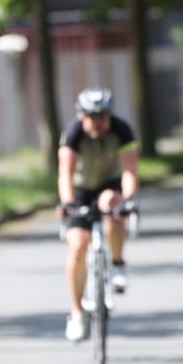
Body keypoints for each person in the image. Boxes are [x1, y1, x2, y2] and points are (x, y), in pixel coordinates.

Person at [57, 88, 139, 342]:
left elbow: (129, 171)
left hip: (109, 184)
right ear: (81, 116)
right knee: (78, 246)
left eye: (103, 116)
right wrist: (68, 202)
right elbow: (65, 175)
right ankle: (77, 312)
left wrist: (128, 199)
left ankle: (117, 262)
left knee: (111, 205)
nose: (98, 122)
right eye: (92, 116)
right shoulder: (73, 134)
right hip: (81, 190)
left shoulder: (122, 130)